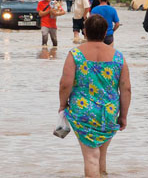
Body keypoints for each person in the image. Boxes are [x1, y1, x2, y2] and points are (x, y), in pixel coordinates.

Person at [59, 15, 131, 178]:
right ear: (106, 32)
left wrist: (63, 106)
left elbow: (65, 84)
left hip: (83, 112)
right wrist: (123, 116)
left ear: (84, 32)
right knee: (101, 154)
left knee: (91, 157)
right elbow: (126, 89)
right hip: (109, 112)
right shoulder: (118, 57)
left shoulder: (75, 54)